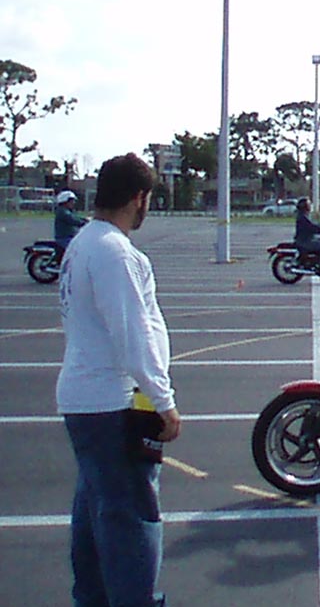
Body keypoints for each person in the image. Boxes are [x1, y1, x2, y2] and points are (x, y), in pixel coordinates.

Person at [56, 152, 181, 607]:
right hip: (113, 402)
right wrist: (163, 401)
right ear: (137, 197)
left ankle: (93, 597)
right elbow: (132, 335)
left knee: (96, 512)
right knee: (131, 516)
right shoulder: (114, 252)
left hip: (86, 398)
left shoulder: (84, 242)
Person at [294, 197, 320, 274]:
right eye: (308, 204)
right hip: (304, 241)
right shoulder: (303, 218)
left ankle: (319, 261)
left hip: (307, 239)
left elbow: (316, 225)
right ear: (304, 206)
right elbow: (314, 228)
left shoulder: (304, 216)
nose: (310, 206)